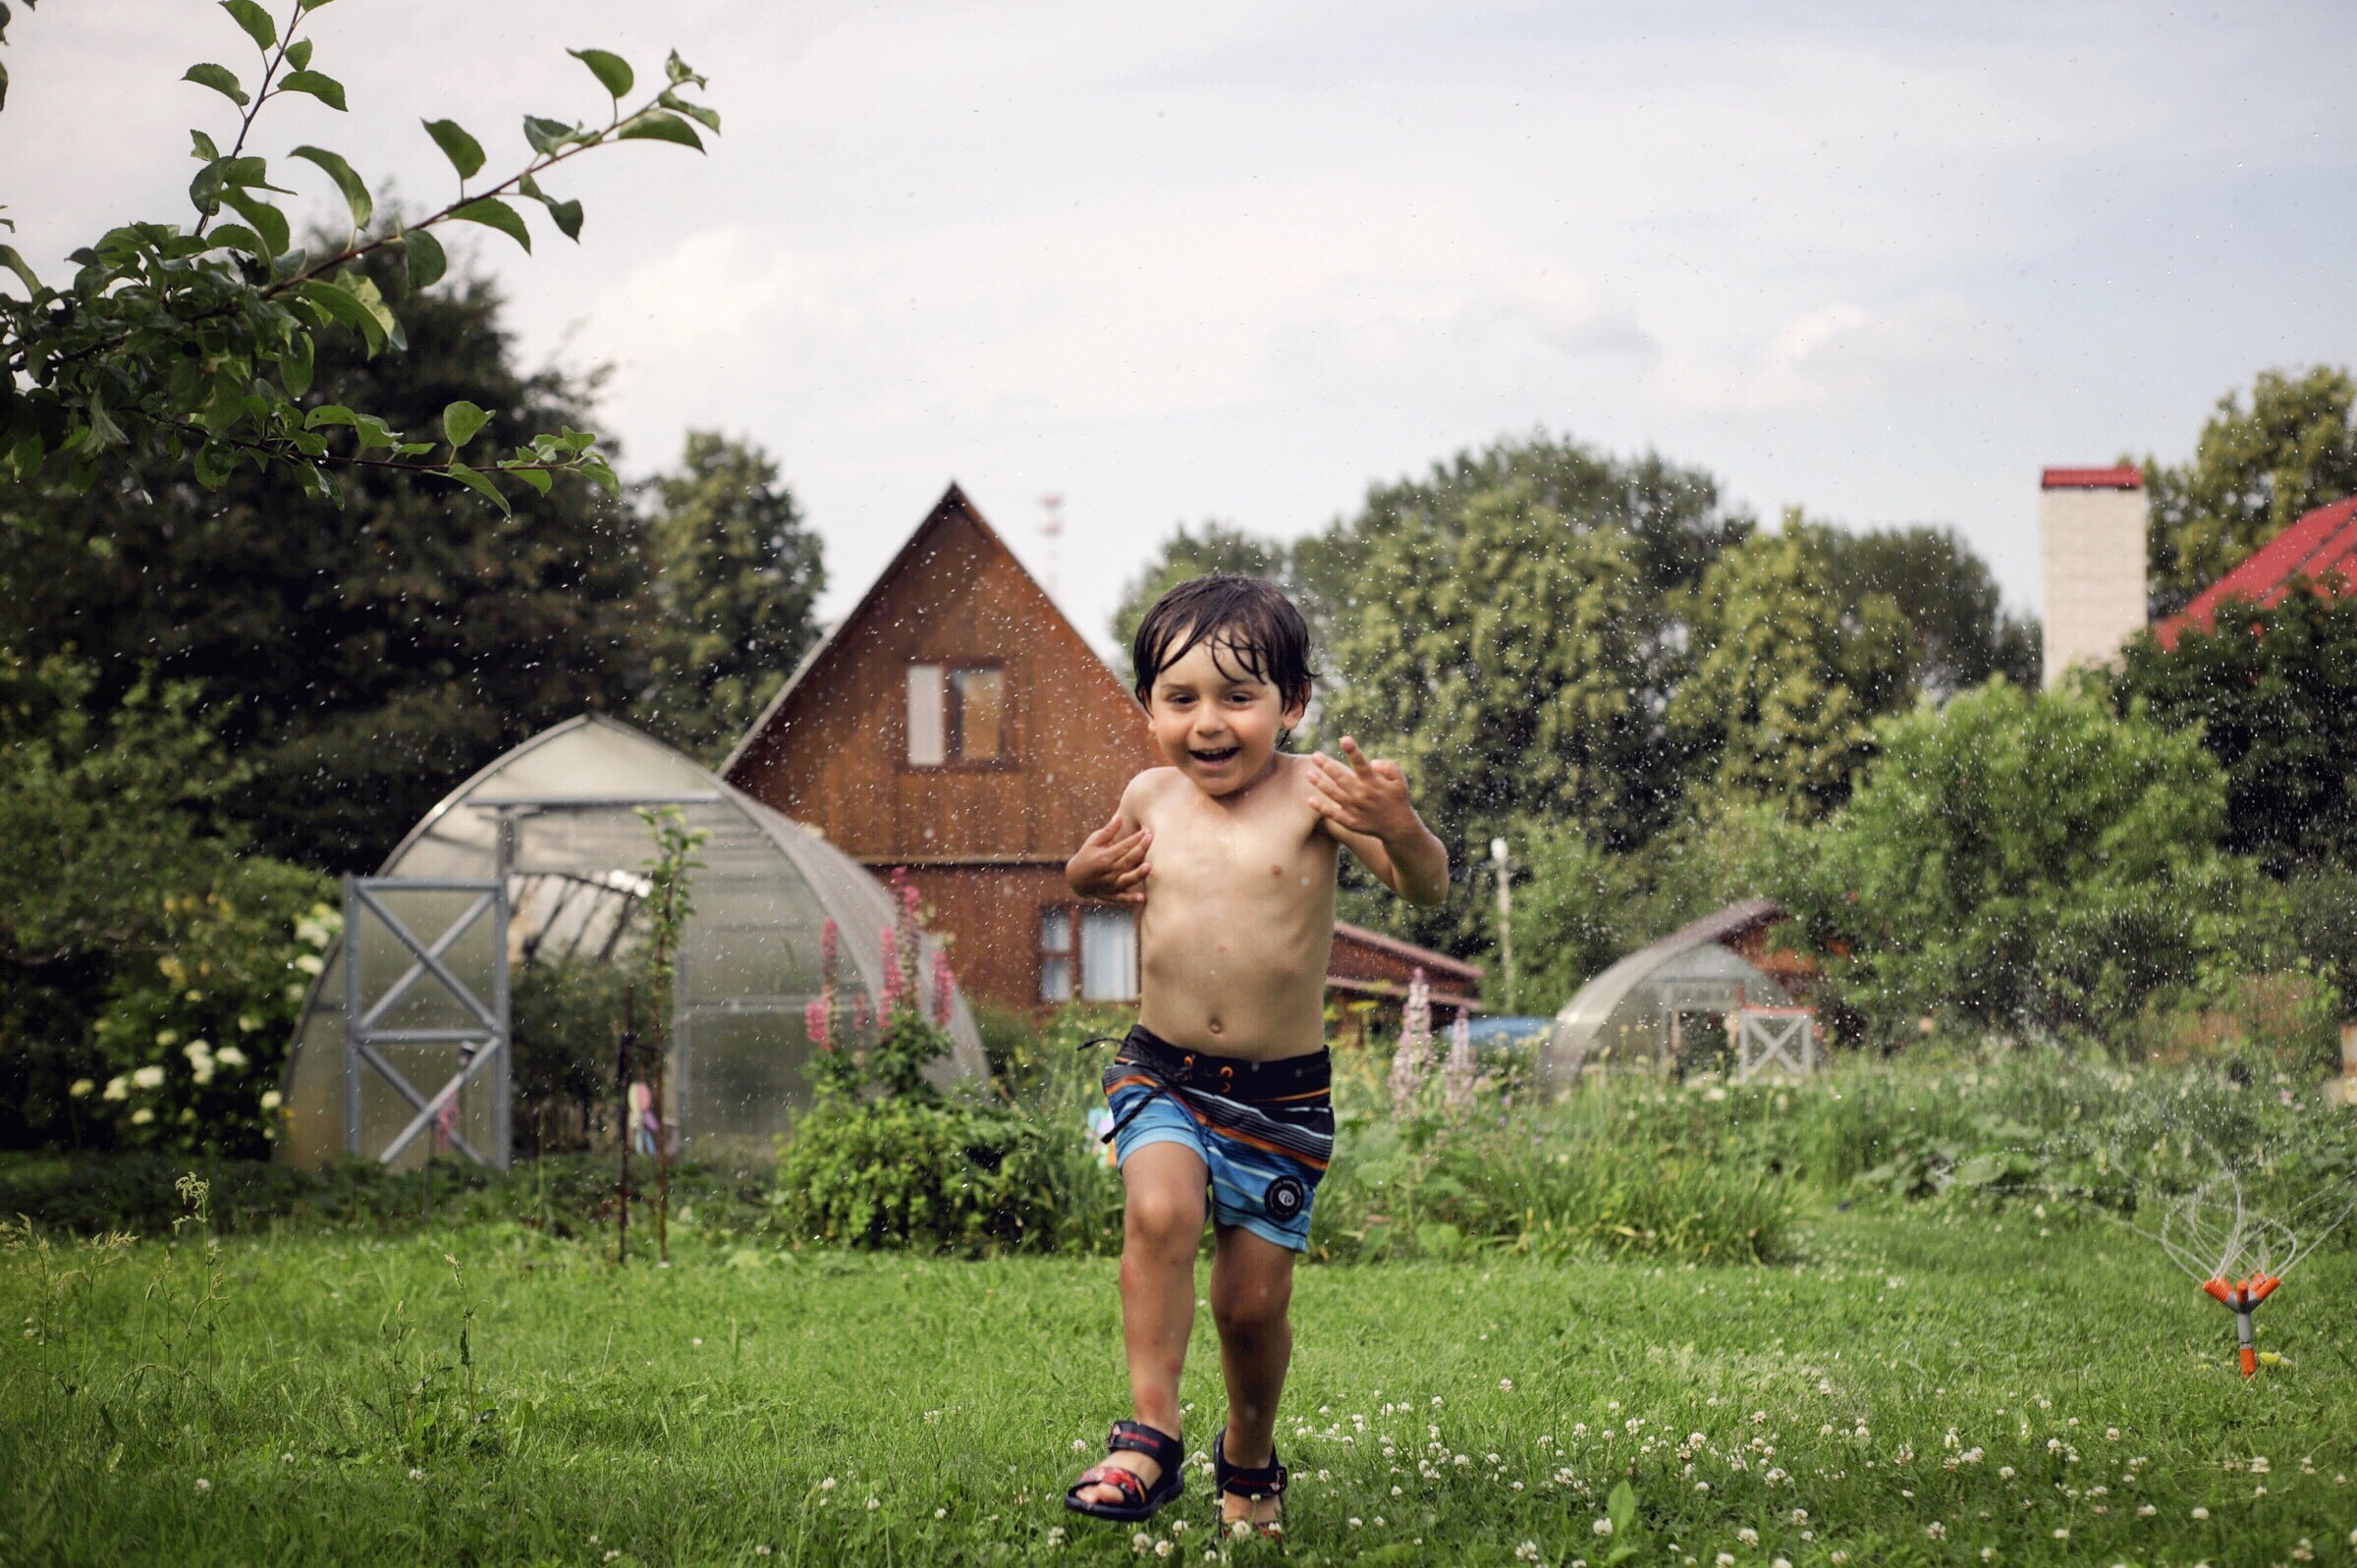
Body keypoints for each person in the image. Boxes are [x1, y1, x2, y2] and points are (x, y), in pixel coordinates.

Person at [1061, 574, 1449, 1536]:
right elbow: (1094, 866)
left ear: (1293, 702)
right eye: (1179, 697)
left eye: (1239, 697)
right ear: (1147, 702)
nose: (1208, 722)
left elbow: (1424, 889)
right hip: (1165, 1071)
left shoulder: (1316, 792)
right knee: (1159, 1207)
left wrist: (1399, 823)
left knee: (1249, 1304)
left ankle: (1248, 1451)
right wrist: (1083, 875)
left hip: (1282, 1099)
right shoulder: (1149, 795)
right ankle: (1150, 1433)